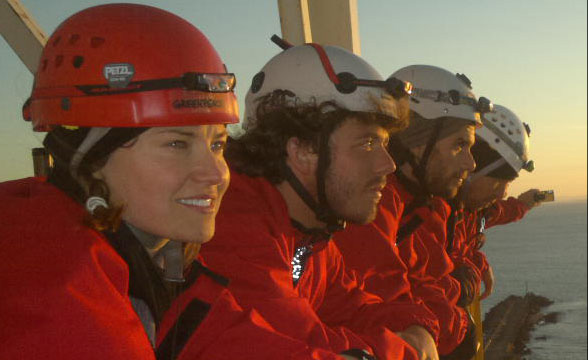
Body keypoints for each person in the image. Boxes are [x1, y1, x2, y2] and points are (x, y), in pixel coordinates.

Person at [0, 5, 350, 359]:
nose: (216, 173)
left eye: (217, 145)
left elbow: (226, 343)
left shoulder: (150, 263)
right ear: (90, 159)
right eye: (177, 144)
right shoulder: (50, 292)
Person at [200, 42, 435, 359]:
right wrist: (405, 351)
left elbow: (354, 306)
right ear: (303, 151)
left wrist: (416, 326)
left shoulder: (310, 234)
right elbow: (298, 342)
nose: (388, 165)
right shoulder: (232, 227)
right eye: (367, 143)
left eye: (385, 144)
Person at [336, 64, 493, 359]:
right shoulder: (375, 206)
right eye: (460, 146)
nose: (471, 165)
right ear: (416, 142)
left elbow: (423, 279)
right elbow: (385, 296)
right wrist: (456, 320)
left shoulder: (418, 207)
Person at [449, 104, 543, 304]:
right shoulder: (434, 217)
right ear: (470, 170)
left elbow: (496, 213)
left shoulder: (469, 211)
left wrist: (524, 205)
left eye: (508, 183)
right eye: (497, 181)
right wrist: (471, 268)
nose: (502, 193)